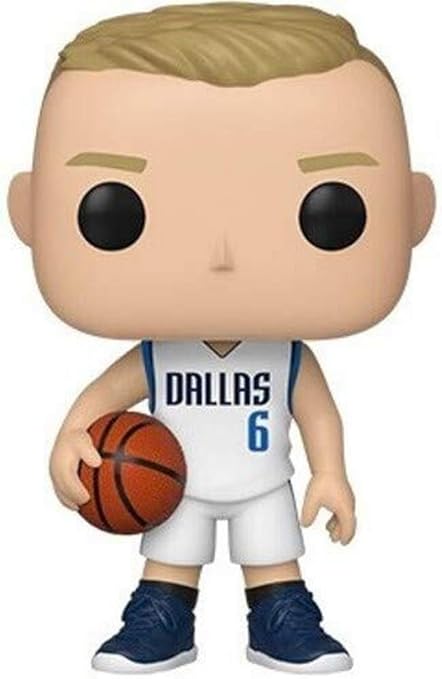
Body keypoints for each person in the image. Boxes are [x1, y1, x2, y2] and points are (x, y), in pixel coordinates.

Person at [8, 3, 435, 674]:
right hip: (172, 482)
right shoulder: (157, 354)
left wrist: (330, 472)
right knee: (167, 566)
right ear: (29, 212)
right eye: (115, 213)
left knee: (276, 564)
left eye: (331, 214)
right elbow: (97, 402)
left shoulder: (286, 356)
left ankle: (282, 625)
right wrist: (69, 441)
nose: (222, 256)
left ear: (414, 212)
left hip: (265, 480)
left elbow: (319, 415)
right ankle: (160, 624)